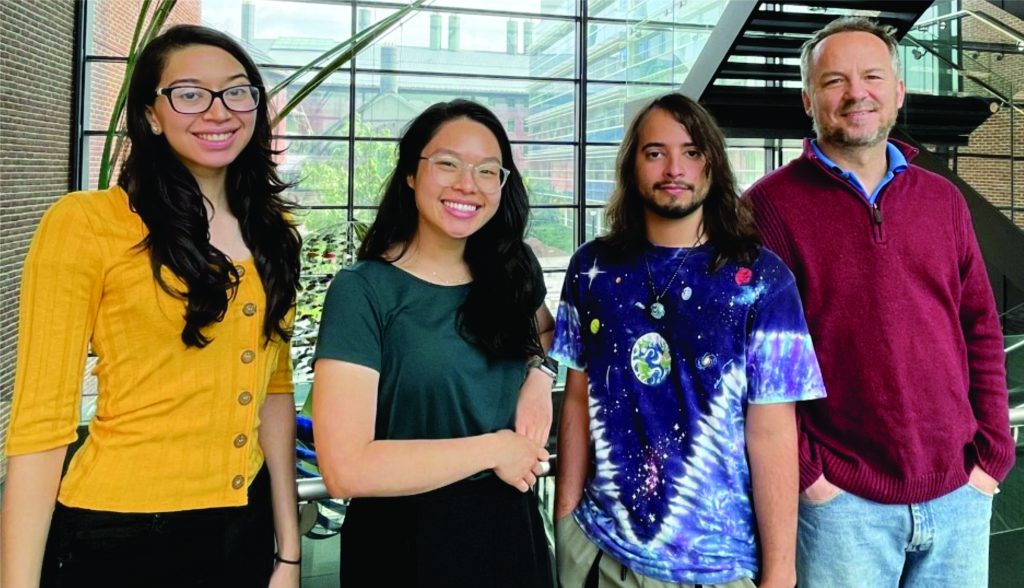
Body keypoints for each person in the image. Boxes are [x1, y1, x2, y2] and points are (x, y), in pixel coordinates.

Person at [1, 25, 302, 588]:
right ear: (151, 114)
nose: (219, 111)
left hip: (246, 531)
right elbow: (41, 424)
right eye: (188, 93)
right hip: (119, 535)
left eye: (238, 91)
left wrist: (289, 552)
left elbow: (275, 393)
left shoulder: (273, 233)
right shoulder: (87, 223)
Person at [746, 16, 1015, 587]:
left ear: (897, 92)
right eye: (834, 81)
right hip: (842, 507)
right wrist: (810, 477)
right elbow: (750, 360)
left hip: (960, 494)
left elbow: (981, 327)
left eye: (872, 76)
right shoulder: (768, 208)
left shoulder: (942, 199)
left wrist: (992, 455)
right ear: (808, 99)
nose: (856, 94)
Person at [550, 93, 826, 588]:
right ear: (632, 166)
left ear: (713, 165)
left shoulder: (764, 280)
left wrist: (781, 571)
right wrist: (565, 515)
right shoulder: (593, 268)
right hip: (602, 550)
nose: (673, 167)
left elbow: (773, 433)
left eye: (692, 151)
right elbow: (576, 395)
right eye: (655, 152)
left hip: (720, 564)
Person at [311, 99, 556, 587]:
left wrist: (538, 372)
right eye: (447, 164)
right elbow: (345, 468)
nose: (467, 184)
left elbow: (546, 334)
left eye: (487, 171)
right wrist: (494, 449)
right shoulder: (364, 290)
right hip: (405, 543)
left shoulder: (511, 268)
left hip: (511, 533)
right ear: (409, 174)